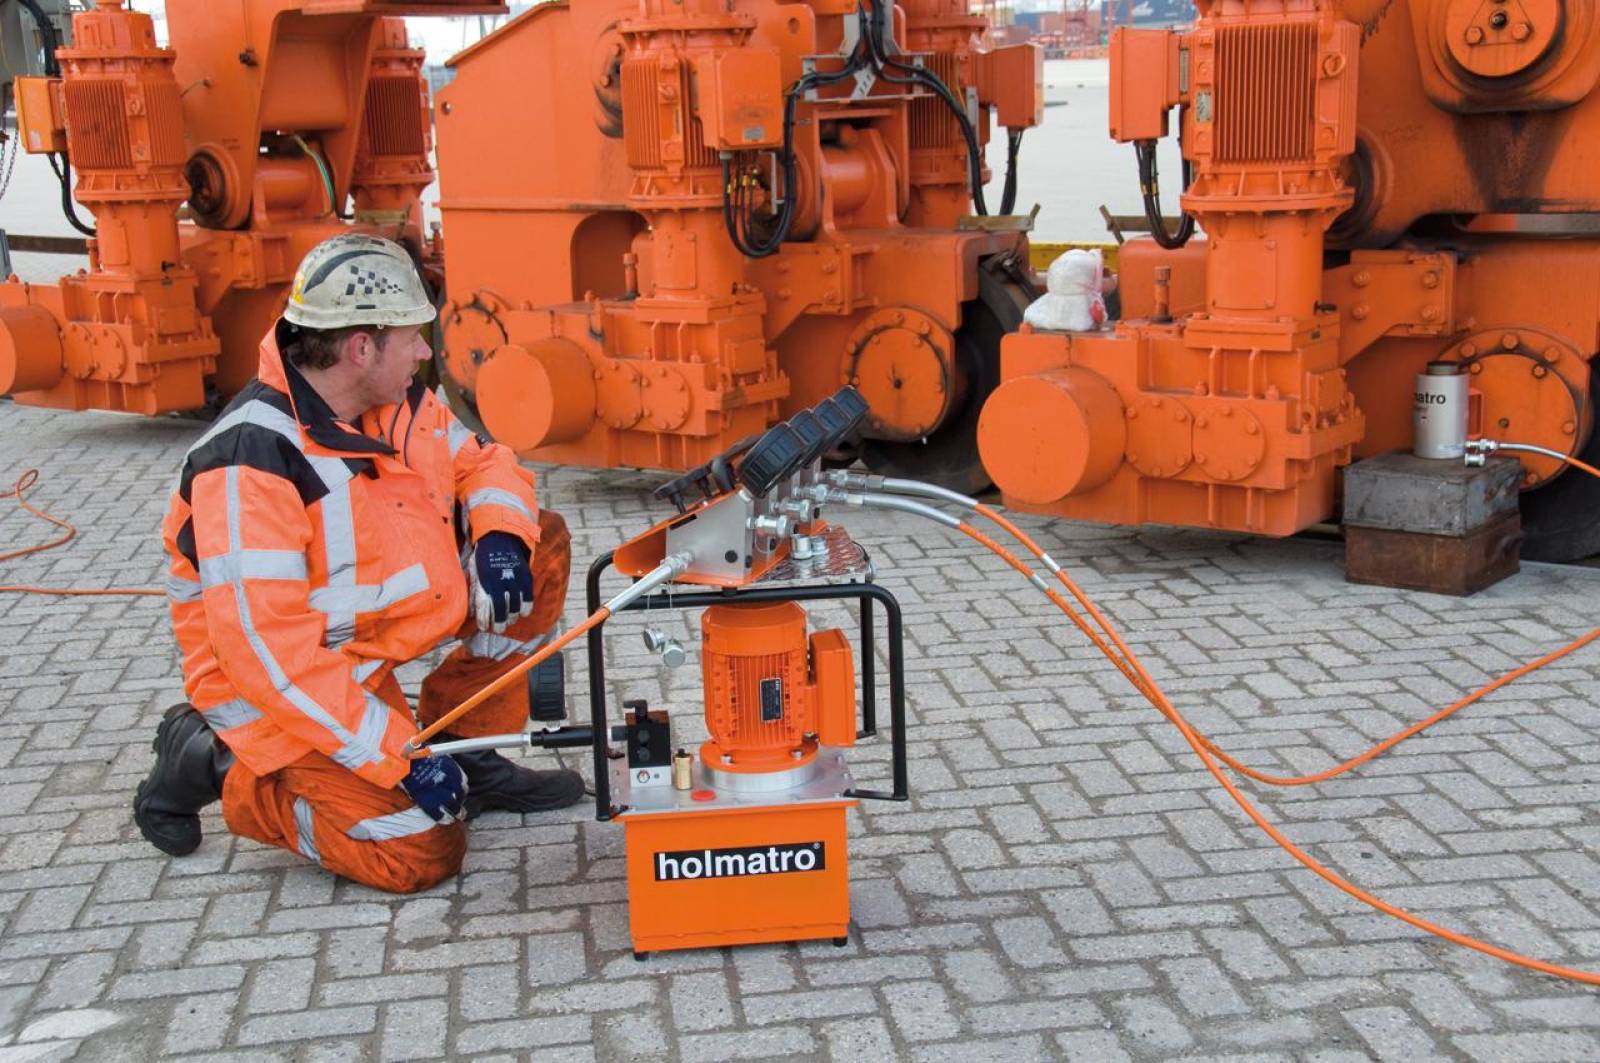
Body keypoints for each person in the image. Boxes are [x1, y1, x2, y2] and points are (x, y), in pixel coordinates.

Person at [133, 234, 582, 893]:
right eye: (412, 338)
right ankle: (215, 764)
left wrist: (499, 539)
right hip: (283, 689)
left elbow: (483, 463)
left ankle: (469, 749)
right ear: (361, 348)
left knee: (539, 543)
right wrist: (399, 760)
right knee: (419, 852)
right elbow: (272, 661)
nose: (425, 353)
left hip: (364, 646)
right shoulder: (249, 462)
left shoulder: (396, 402)